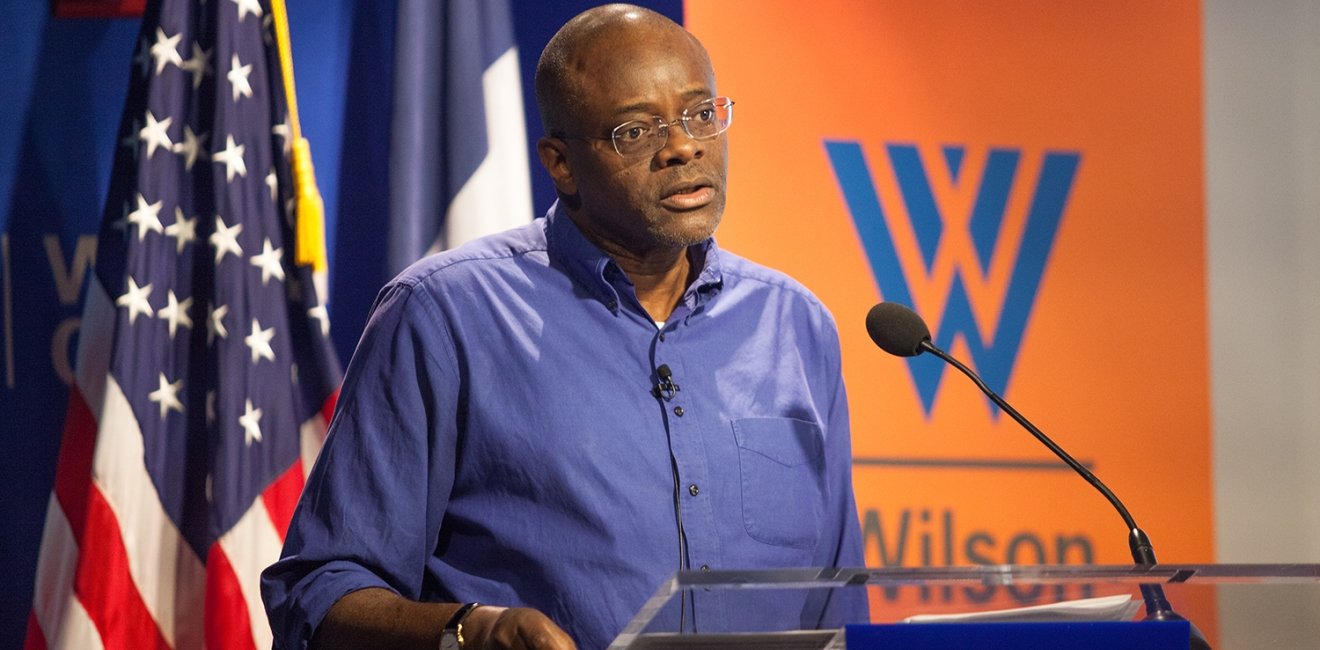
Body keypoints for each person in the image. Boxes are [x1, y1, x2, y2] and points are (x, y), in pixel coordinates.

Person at [262, 4, 866, 648]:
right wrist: (471, 630)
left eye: (700, 114)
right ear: (561, 163)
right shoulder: (443, 315)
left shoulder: (796, 326)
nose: (684, 147)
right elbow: (318, 591)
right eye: (637, 131)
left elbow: (840, 604)